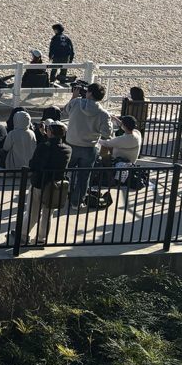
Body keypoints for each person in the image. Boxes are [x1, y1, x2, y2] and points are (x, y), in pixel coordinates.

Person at [18, 121, 71, 246]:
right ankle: (41, 239)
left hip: (39, 183)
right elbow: (54, 150)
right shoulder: (68, 149)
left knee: (33, 212)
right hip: (55, 185)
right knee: (48, 214)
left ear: (50, 132)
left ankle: (23, 235)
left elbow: (34, 164)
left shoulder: (43, 147)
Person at [62, 81, 113, 209]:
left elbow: (66, 111)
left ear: (89, 93)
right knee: (84, 177)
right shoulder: (103, 114)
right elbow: (107, 133)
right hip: (89, 148)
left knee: (64, 172)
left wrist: (74, 96)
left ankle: (59, 196)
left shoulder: (76, 103)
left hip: (71, 144)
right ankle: (77, 202)